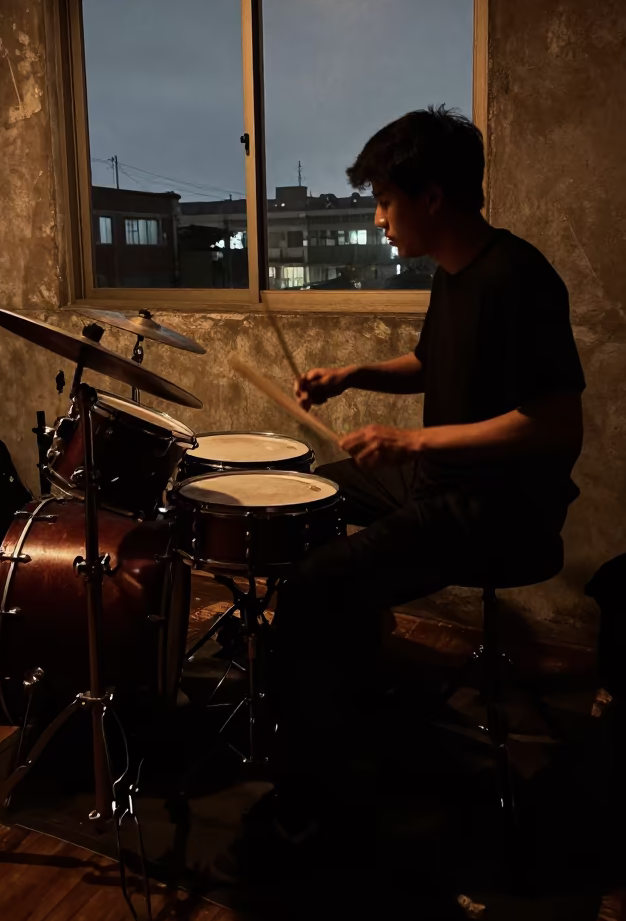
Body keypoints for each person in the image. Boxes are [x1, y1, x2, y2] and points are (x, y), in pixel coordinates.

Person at [227, 105, 585, 878]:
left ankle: (313, 791)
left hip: (495, 509)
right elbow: (433, 365)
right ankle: (352, 686)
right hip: (439, 481)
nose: (379, 217)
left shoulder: (519, 278)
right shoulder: (454, 278)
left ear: (432, 198)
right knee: (316, 497)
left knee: (316, 586)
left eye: (386, 200)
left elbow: (552, 422)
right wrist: (354, 373)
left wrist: (412, 440)